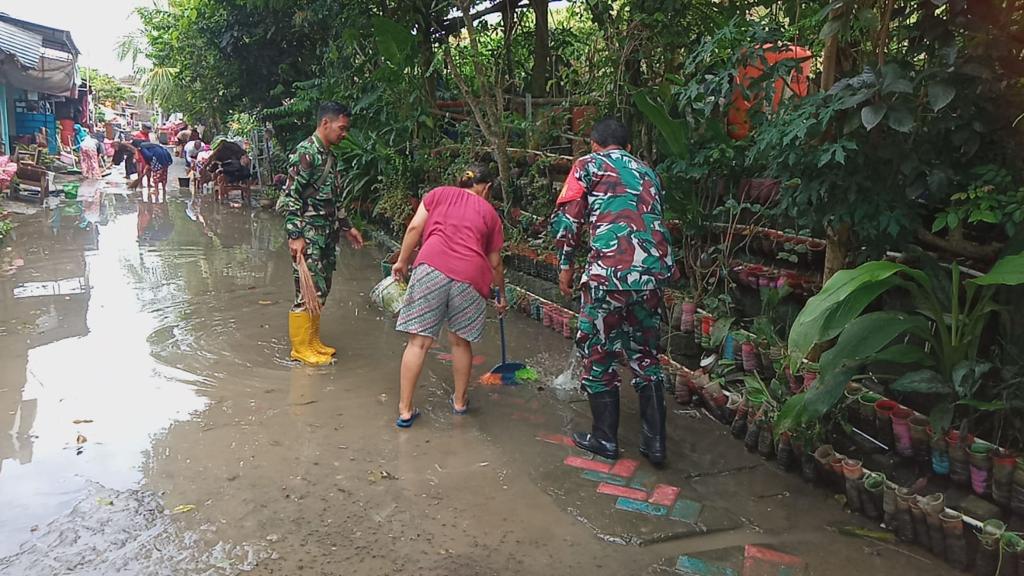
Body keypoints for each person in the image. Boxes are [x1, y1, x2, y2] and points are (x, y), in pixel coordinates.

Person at [550, 117, 676, 466]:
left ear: (593, 144)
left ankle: (605, 439)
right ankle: (656, 445)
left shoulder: (586, 166)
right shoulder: (649, 173)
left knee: (598, 351)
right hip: (652, 276)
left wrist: (565, 264)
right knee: (645, 355)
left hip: (609, 275)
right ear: (629, 148)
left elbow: (569, 220)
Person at [391, 165, 506, 428]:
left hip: (432, 265)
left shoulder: (437, 194)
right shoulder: (490, 214)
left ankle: (405, 409)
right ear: (486, 188)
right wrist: (501, 294)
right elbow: (495, 263)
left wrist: (402, 261)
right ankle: (459, 402)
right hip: (471, 276)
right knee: (460, 343)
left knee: (418, 342)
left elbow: (414, 229)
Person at [278, 101, 364, 366]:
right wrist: (295, 235)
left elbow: (332, 200)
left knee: (320, 288)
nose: (345, 133)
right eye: (342, 127)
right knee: (306, 291)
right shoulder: (306, 153)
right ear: (325, 123)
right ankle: (300, 349)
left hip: (326, 234)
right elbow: (290, 197)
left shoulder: (329, 156)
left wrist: (348, 226)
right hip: (308, 234)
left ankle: (312, 342)